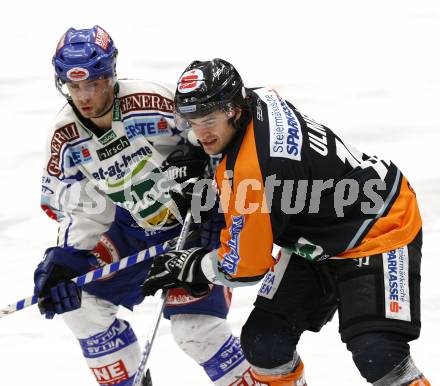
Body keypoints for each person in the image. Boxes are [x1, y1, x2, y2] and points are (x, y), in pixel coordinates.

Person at [142, 58, 431, 385]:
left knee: (378, 353)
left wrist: (192, 265)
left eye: (208, 120)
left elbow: (244, 267)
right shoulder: (257, 99)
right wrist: (201, 156)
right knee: (265, 344)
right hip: (318, 234)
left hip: (378, 224)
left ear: (234, 110)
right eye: (192, 121)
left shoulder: (254, 172)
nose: (200, 131)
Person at [34, 30, 256, 386]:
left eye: (94, 83)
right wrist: (65, 257)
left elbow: (219, 135)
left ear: (111, 74)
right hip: (131, 227)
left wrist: (200, 158)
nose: (85, 97)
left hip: (195, 226)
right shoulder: (65, 137)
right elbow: (80, 207)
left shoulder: (155, 100)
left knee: (195, 330)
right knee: (81, 303)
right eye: (75, 88)